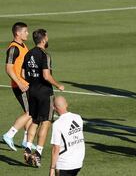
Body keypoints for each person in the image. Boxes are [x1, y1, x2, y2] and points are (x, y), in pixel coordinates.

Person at [22, 29, 65, 167]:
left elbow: (23, 73)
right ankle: (38, 153)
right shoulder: (44, 55)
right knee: (46, 122)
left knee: (34, 120)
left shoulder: (28, 53)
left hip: (32, 91)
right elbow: (46, 76)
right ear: (43, 39)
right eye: (47, 36)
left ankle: (28, 148)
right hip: (44, 92)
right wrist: (58, 85)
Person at [3, 22, 33, 151]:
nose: (27, 33)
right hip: (19, 86)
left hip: (26, 84)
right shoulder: (13, 48)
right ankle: (9, 135)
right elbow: (8, 69)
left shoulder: (23, 46)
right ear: (17, 33)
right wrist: (20, 83)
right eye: (25, 31)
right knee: (31, 112)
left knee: (31, 112)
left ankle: (26, 141)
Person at [49, 96, 85, 176]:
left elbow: (56, 148)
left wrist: (52, 168)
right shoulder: (78, 118)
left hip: (65, 164)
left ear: (54, 108)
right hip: (78, 162)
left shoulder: (57, 124)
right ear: (66, 104)